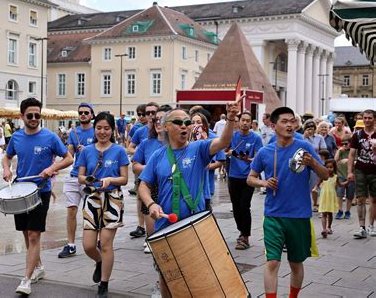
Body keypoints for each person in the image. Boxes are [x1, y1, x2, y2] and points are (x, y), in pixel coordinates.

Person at [138, 97, 242, 298]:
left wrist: (230, 120)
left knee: (198, 278)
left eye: (187, 122)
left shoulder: (198, 148)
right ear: (166, 127)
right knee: (168, 278)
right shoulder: (158, 156)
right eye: (178, 122)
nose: (184, 126)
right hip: (165, 227)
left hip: (194, 226)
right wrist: (151, 203)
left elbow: (223, 142)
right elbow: (144, 184)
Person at [247, 106, 328, 298]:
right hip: (273, 215)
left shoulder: (304, 147)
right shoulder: (265, 152)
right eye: (284, 121)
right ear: (273, 125)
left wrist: (313, 163)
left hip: (299, 215)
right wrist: (264, 182)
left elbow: (324, 174)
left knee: (295, 262)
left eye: (292, 121)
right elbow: (250, 178)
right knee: (272, 262)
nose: (290, 125)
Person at [2, 98, 73, 295]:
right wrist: (7, 169)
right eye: (30, 115)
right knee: (26, 233)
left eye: (37, 115)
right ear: (22, 116)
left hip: (41, 191)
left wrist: (52, 168)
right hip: (20, 190)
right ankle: (38, 267)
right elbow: (7, 156)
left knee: (34, 234)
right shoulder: (16, 137)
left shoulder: (50, 137)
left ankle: (26, 279)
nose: (34, 119)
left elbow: (68, 158)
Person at [77, 112, 129, 298]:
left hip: (113, 199)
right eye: (99, 128)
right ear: (94, 128)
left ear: (112, 129)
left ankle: (104, 284)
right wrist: (88, 180)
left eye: (106, 128)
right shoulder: (86, 151)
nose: (102, 132)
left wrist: (110, 179)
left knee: (106, 244)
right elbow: (80, 176)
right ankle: (99, 261)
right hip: (92, 198)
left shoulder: (119, 151)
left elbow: (124, 179)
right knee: (88, 245)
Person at [58, 102, 95, 259]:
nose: (83, 115)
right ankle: (71, 244)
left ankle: (93, 242)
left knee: (90, 212)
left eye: (86, 112)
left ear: (92, 115)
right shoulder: (74, 133)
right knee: (71, 210)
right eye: (81, 112)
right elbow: (69, 155)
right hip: (74, 176)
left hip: (91, 177)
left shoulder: (97, 130)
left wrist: (89, 149)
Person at [132, 105, 169, 254]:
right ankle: (151, 237)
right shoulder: (146, 143)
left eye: (162, 119)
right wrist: (151, 168)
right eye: (155, 120)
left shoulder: (174, 142)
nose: (158, 123)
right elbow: (135, 166)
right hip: (150, 184)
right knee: (150, 213)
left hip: (169, 184)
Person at [225, 111, 263, 250]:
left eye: (248, 120)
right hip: (233, 175)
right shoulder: (233, 136)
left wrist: (249, 159)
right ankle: (241, 230)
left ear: (251, 123)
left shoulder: (256, 138)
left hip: (249, 177)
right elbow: (224, 150)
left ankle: (245, 236)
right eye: (243, 120)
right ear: (239, 121)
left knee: (244, 206)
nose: (245, 123)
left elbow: (259, 158)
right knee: (235, 207)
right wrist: (229, 153)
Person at [127, 102, 159, 238]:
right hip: (144, 171)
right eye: (147, 113)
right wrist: (141, 156)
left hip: (163, 175)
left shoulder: (165, 133)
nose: (150, 115)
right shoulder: (140, 131)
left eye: (153, 112)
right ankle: (143, 228)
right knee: (143, 198)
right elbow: (129, 147)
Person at [348, 109, 376, 238]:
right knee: (360, 198)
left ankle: (371, 226)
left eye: (370, 118)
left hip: (374, 170)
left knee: (374, 200)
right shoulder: (357, 135)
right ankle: (361, 227)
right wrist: (350, 171)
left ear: (374, 119)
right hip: (360, 169)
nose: (367, 120)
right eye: (365, 118)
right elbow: (352, 154)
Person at [316, 159, 341, 238]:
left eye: (331, 167)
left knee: (330, 213)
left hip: (331, 197)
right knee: (324, 213)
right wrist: (315, 188)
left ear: (334, 168)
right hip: (324, 197)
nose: (329, 169)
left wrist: (347, 182)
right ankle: (324, 229)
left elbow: (340, 185)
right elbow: (317, 184)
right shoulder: (323, 176)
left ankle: (329, 227)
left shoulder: (336, 177)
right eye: (327, 167)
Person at [334, 134, 355, 219]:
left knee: (350, 194)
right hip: (341, 174)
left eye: (346, 144)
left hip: (351, 175)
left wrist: (348, 160)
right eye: (342, 144)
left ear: (350, 143)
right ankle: (340, 210)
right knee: (339, 193)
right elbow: (335, 159)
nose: (344, 146)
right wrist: (339, 150)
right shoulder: (341, 150)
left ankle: (348, 211)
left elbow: (357, 161)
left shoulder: (353, 151)